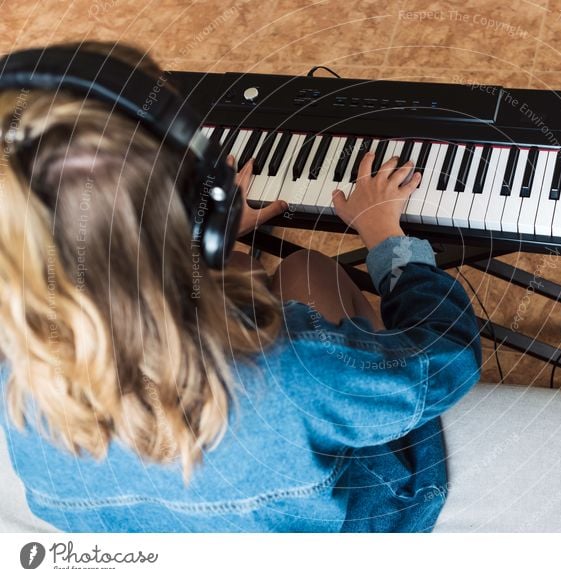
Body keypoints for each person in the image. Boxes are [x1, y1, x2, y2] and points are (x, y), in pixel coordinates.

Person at [0, 42, 481, 532]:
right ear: (199, 197)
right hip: (336, 525)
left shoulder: (13, 373)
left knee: (241, 270)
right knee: (307, 270)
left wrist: (205, 238)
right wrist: (385, 238)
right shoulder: (298, 369)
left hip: (155, 538)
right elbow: (449, 358)